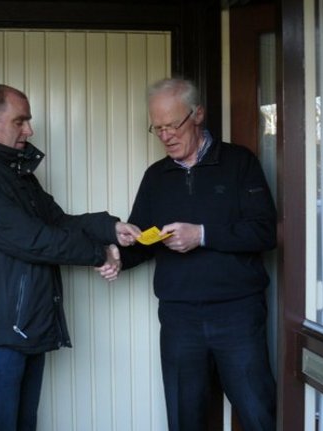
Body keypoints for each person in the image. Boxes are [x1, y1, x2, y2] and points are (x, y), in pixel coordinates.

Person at [0, 84, 140, 431]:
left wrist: (110, 229)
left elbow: (58, 223)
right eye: (20, 121)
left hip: (22, 328)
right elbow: (31, 240)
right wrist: (98, 254)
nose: (29, 131)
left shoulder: (16, 175)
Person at [112, 78, 277, 430]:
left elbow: (264, 232)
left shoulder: (239, 163)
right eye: (158, 128)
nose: (166, 135)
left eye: (173, 125)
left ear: (198, 114)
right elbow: (143, 243)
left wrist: (201, 235)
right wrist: (117, 255)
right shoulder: (155, 177)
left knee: (257, 413)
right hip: (179, 318)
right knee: (184, 419)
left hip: (237, 313)